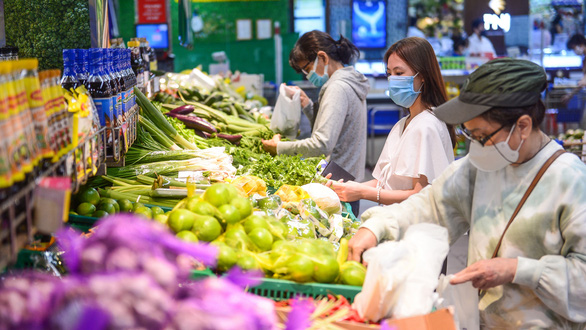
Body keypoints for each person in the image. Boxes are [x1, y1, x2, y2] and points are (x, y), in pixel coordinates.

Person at [348, 58, 586, 328]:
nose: (477, 147)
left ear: (522, 126)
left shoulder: (571, 181)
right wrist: (377, 226)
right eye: (469, 135)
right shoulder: (478, 169)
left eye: (482, 136)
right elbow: (428, 206)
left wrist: (518, 270)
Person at [327, 37, 456, 207]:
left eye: (399, 73)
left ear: (422, 75)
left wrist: (363, 192)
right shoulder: (402, 124)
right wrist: (343, 188)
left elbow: (423, 195)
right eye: (389, 73)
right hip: (393, 225)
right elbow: (383, 182)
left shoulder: (427, 126)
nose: (392, 79)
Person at [262, 30, 369, 212]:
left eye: (308, 69)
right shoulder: (349, 81)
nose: (308, 76)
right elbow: (336, 129)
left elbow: (322, 143)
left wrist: (279, 148)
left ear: (322, 57)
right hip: (347, 180)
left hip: (337, 187)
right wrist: (308, 106)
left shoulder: (337, 88)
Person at [562, 33, 586, 128]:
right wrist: (570, 95)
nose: (574, 51)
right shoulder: (584, 60)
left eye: (574, 48)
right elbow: (583, 81)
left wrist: (570, 95)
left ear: (581, 44)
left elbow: (584, 81)